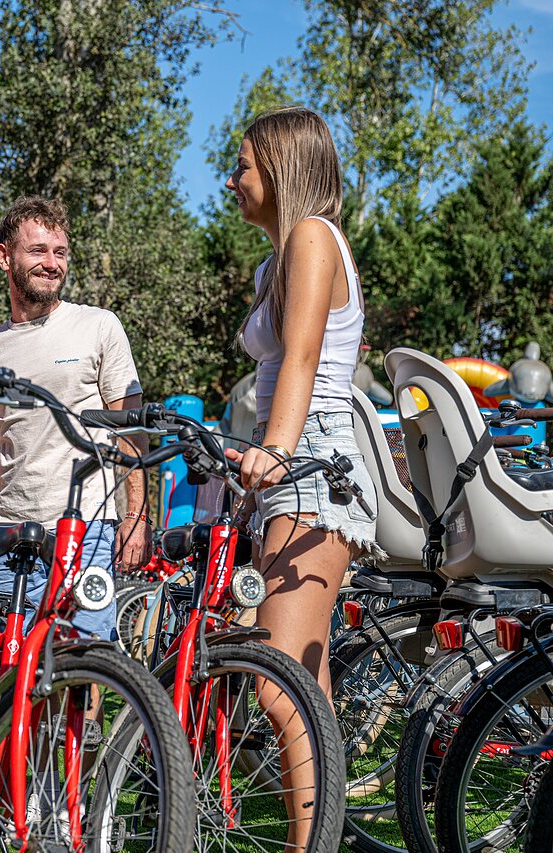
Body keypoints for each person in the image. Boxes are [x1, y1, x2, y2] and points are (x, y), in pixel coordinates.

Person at [223, 106, 379, 850]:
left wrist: (276, 447)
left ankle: (309, 845)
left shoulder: (313, 237)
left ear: (280, 170)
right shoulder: (275, 259)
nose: (232, 179)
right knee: (295, 686)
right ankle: (315, 838)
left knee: (277, 684)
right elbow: (281, 365)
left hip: (313, 466)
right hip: (286, 468)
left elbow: (309, 359)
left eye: (243, 165)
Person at [0, 195, 150, 641]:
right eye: (38, 251)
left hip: (86, 526)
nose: (51, 263)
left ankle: (87, 718)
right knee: (11, 661)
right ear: (5, 257)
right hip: (9, 534)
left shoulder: (99, 326)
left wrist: (135, 514)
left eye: (60, 252)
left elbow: (129, 429)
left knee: (85, 654)